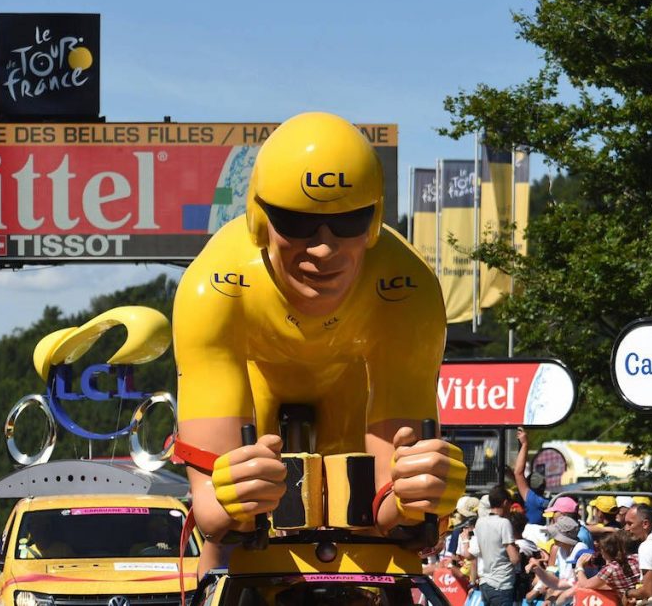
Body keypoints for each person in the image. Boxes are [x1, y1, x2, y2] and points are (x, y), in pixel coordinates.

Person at [172, 112, 467, 572]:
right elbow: (210, 513)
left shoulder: (410, 287)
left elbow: (393, 512)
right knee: (228, 540)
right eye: (296, 223)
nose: (324, 249)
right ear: (258, 219)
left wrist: (417, 495)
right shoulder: (211, 289)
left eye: (348, 223)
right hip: (255, 391)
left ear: (374, 223)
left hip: (351, 389)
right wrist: (228, 503)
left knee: (375, 538)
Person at [468, 486, 520, 606]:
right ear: (505, 503)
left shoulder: (480, 522)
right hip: (502, 584)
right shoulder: (504, 523)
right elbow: (514, 559)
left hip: (485, 583)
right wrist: (518, 551)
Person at [527, 515, 591, 605]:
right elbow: (552, 573)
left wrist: (553, 598)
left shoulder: (581, 550)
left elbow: (575, 584)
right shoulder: (560, 549)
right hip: (563, 594)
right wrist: (537, 588)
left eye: (555, 535)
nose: (553, 538)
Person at [575, 530, 640, 600]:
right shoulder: (636, 558)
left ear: (604, 551)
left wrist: (579, 566)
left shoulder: (609, 569)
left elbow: (585, 585)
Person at [513, 427, 548, 525]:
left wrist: (524, 444)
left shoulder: (532, 499)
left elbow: (518, 473)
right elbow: (518, 479)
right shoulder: (546, 501)